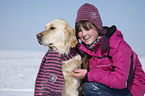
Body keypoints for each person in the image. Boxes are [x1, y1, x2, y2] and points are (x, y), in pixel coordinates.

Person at [70, 3, 145, 96]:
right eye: (80, 31)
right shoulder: (85, 49)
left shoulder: (118, 45)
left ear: (97, 27)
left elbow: (120, 81)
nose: (84, 34)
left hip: (130, 89)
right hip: (107, 86)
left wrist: (88, 74)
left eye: (87, 29)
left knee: (90, 88)